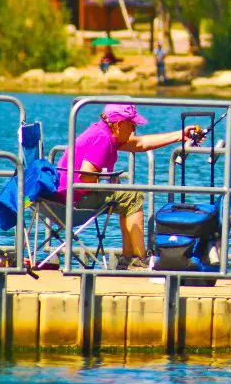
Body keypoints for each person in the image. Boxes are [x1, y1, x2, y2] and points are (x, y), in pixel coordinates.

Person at [56, 103, 204, 270]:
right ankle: (138, 258)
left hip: (64, 195)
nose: (134, 129)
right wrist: (109, 183)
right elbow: (87, 175)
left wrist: (180, 135)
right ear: (119, 124)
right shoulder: (103, 138)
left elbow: (139, 144)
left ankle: (128, 258)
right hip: (75, 198)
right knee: (132, 196)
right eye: (132, 124)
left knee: (126, 196)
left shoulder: (104, 131)